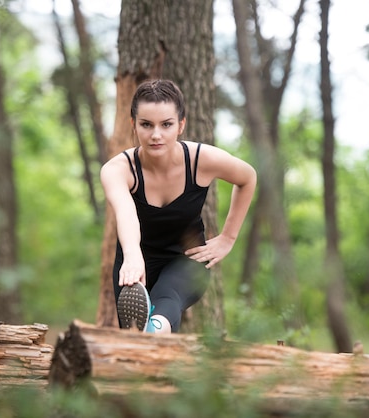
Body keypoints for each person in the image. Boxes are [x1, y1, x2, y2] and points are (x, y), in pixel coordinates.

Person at [100, 79, 257, 334]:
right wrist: (131, 256)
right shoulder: (118, 170)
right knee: (134, 342)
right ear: (133, 125)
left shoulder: (201, 160)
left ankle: (155, 329)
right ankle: (151, 337)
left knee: (167, 297)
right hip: (134, 263)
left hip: (187, 259)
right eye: (146, 125)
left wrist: (228, 237)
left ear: (181, 125)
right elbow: (126, 213)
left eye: (166, 124)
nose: (156, 135)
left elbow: (248, 177)